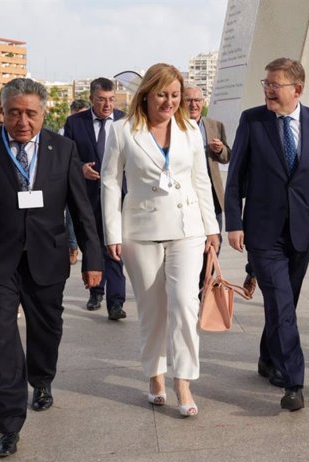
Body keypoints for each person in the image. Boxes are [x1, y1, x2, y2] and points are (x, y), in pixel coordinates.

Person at [0, 78, 103, 458]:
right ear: (3, 111)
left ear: (43, 113)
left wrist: (93, 260)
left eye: (30, 113)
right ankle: (9, 423)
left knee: (47, 329)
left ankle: (42, 379)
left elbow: (81, 211)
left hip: (47, 258)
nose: (22, 121)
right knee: (1, 339)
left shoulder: (62, 148)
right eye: (14, 112)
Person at [100, 63, 220, 417]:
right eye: (162, 94)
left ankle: (183, 380)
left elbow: (201, 180)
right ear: (147, 94)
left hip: (188, 228)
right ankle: (155, 374)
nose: (169, 102)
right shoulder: (123, 131)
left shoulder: (188, 129)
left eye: (175, 95)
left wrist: (211, 228)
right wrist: (111, 232)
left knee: (184, 302)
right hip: (141, 231)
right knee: (152, 310)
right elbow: (109, 182)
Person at [224, 57, 309, 411]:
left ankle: (267, 358)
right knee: (282, 302)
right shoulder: (252, 120)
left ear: (297, 90)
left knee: (283, 303)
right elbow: (236, 174)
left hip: (303, 230)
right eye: (266, 84)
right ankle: (294, 382)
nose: (268, 90)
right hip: (262, 232)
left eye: (275, 85)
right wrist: (234, 223)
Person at [64, 78, 128, 320]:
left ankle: (115, 302)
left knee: (114, 247)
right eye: (101, 100)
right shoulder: (74, 123)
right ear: (92, 98)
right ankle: (95, 291)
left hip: (119, 196)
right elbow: (67, 157)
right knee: (92, 244)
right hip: (86, 196)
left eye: (111, 100)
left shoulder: (126, 121)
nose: (107, 105)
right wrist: (80, 168)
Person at [182, 85, 231, 290]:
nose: (194, 104)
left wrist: (220, 150)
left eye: (198, 100)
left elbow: (228, 156)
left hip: (212, 195)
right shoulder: (176, 127)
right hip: (186, 196)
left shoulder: (214, 125)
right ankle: (191, 285)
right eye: (189, 100)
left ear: (203, 103)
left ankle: (205, 283)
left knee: (213, 243)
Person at [61, 98, 90, 265]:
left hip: (92, 181)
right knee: (71, 218)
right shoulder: (63, 130)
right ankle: (73, 247)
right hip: (71, 179)